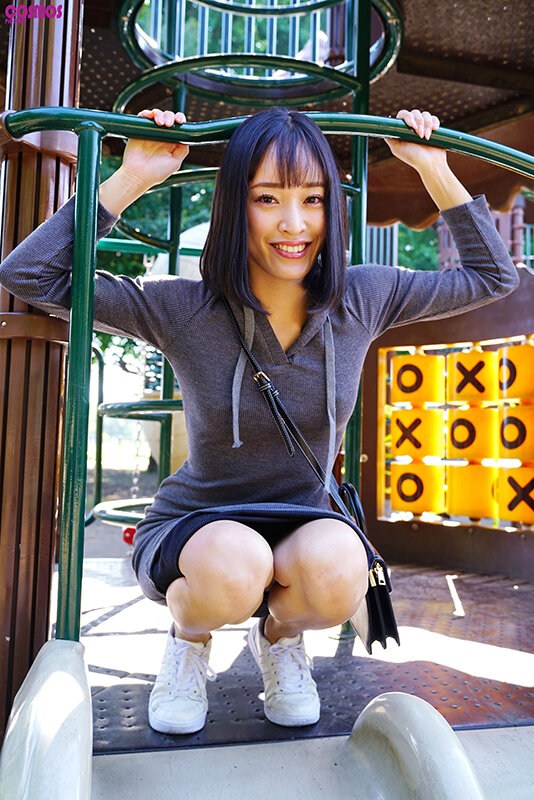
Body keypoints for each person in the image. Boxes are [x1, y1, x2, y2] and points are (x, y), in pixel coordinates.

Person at [0, 107, 519, 735]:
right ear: (235, 207)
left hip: (304, 523)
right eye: (267, 198)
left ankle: (278, 638)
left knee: (342, 571)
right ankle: (189, 640)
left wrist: (434, 169)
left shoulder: (362, 296)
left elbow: (493, 276)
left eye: (313, 199)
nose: (294, 224)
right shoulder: (187, 308)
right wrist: (132, 177)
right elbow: (28, 275)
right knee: (233, 562)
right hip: (201, 531)